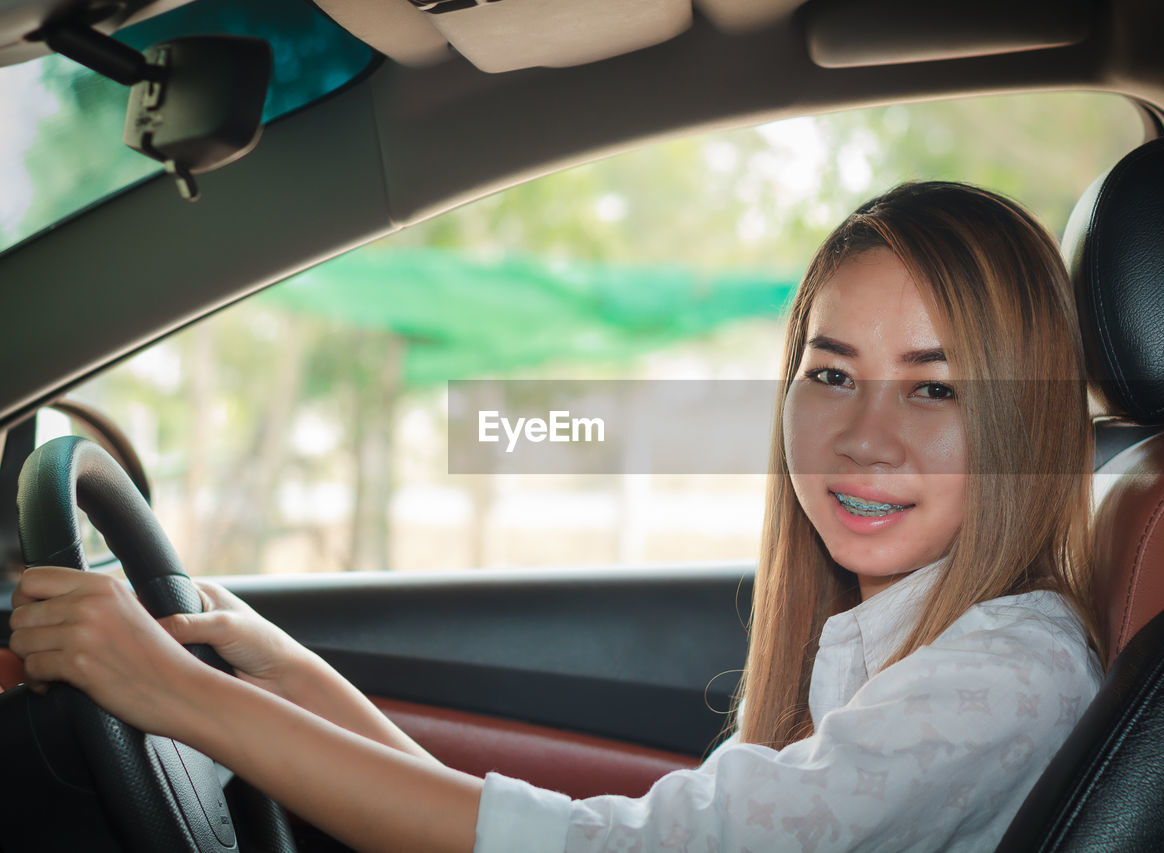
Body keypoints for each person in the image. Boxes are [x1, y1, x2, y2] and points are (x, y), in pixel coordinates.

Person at [8, 181, 1101, 852]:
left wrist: (176, 696)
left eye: (934, 388)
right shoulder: (900, 647)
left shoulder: (1000, 677)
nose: (863, 437)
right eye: (828, 376)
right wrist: (284, 670)